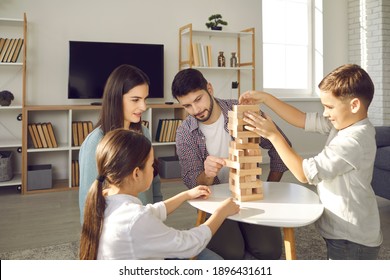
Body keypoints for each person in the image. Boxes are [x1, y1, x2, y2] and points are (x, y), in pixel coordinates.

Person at [240, 64, 383, 260]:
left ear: (354, 105)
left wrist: (273, 135)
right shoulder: (344, 124)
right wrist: (265, 98)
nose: (325, 113)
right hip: (342, 231)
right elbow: (301, 119)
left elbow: (304, 173)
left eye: (329, 107)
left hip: (352, 237)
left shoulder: (353, 140)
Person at [171, 68, 291, 260]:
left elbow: (280, 146)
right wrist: (207, 174)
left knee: (270, 251)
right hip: (214, 202)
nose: (196, 110)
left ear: (209, 88)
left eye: (198, 99)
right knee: (231, 252)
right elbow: (192, 182)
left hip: (248, 196)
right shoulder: (185, 133)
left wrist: (267, 186)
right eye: (187, 106)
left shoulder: (242, 112)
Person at [79, 128, 240, 260]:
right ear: (136, 174)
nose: (154, 169)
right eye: (151, 165)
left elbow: (151, 211)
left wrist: (186, 195)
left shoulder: (106, 198)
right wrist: (221, 212)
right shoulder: (136, 220)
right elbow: (191, 244)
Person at [79, 64, 163, 223]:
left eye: (145, 99)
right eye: (135, 100)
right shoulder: (95, 142)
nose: (143, 106)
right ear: (116, 98)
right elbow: (88, 202)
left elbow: (154, 183)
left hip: (146, 224)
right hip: (117, 235)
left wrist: (156, 219)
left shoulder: (144, 133)